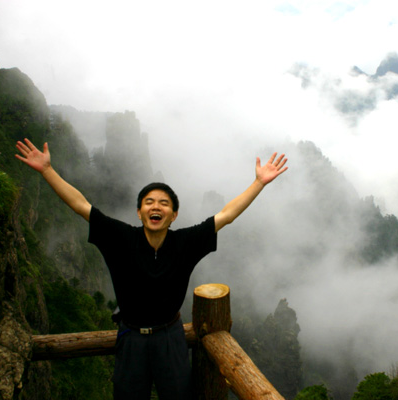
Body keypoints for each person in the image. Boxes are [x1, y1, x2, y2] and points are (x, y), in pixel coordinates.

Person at [15, 138, 288, 399]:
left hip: (170, 336)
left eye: (164, 203)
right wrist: (48, 170)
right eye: (149, 202)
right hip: (130, 336)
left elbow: (226, 215)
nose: (156, 206)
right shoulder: (120, 238)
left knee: (178, 396)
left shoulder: (185, 243)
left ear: (173, 215)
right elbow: (80, 205)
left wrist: (259, 183)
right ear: (139, 212)